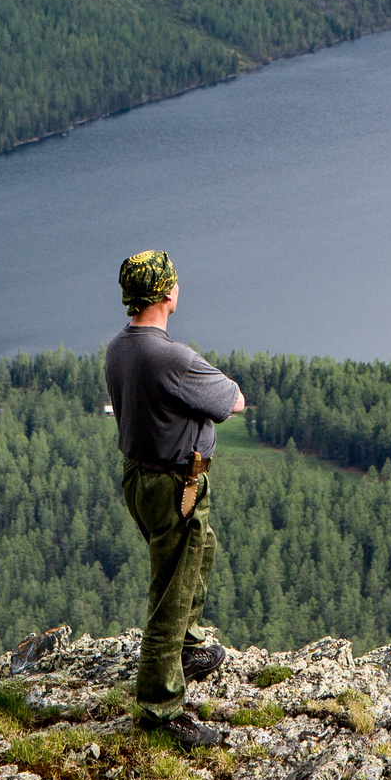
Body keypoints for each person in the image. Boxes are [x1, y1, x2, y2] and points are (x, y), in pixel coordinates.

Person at [106, 250, 244, 746]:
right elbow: (232, 400)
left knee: (198, 552)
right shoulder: (173, 357)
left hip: (139, 480)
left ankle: (186, 645)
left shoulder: (119, 349)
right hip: (174, 484)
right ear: (167, 293)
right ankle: (160, 708)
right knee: (171, 588)